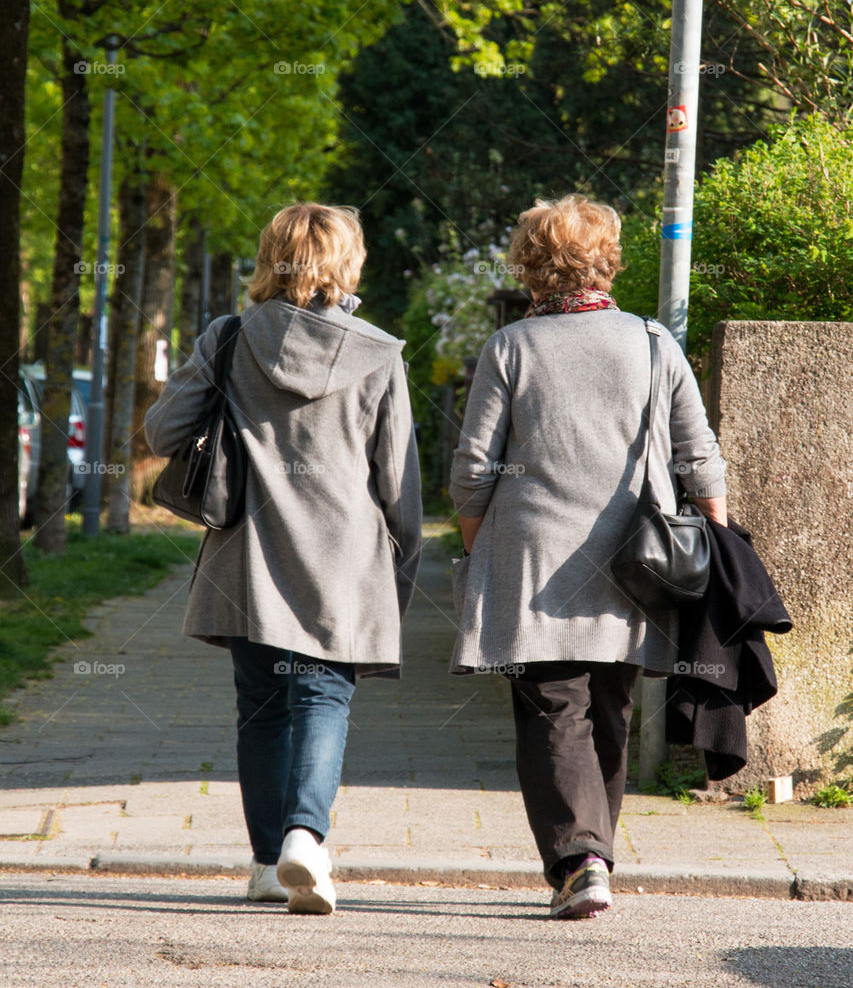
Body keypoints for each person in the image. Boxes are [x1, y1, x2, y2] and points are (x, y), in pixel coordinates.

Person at [449, 195, 727, 920]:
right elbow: (699, 457)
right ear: (607, 261)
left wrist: (482, 551)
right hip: (638, 563)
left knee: (552, 709)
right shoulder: (650, 342)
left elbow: (474, 469)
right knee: (610, 707)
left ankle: (580, 860)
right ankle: (593, 856)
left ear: (531, 266)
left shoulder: (511, 347)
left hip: (533, 560)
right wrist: (718, 547)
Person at [145, 203, 422, 913]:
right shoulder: (379, 352)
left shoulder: (229, 338)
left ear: (271, 257)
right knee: (323, 698)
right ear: (345, 261)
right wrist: (403, 569)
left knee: (262, 710)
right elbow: (397, 482)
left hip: (247, 561)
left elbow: (162, 430)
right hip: (343, 562)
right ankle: (307, 835)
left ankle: (269, 861)